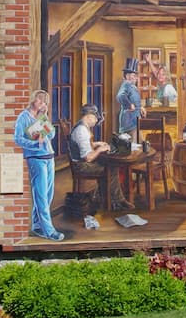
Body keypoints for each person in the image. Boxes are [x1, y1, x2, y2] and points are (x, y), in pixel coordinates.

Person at [13, 89, 63, 241]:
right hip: (36, 158)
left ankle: (37, 225)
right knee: (40, 195)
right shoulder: (24, 117)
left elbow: (52, 134)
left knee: (48, 194)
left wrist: (44, 117)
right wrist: (34, 144)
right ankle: (49, 231)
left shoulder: (41, 117)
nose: (42, 104)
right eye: (40, 100)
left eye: (45, 101)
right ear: (33, 100)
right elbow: (18, 139)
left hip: (49, 156)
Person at [69, 104, 133, 211]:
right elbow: (88, 158)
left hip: (81, 162)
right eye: (95, 118)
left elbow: (84, 145)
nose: (95, 121)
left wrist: (96, 144)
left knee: (110, 164)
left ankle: (105, 197)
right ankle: (116, 201)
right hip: (81, 165)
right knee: (111, 167)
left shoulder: (82, 127)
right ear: (88, 116)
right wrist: (99, 150)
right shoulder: (82, 131)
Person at [116, 57, 145, 141]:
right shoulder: (126, 84)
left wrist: (140, 108)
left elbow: (134, 100)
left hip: (135, 120)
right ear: (127, 76)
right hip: (129, 121)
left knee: (139, 143)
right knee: (133, 145)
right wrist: (129, 105)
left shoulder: (132, 86)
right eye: (134, 75)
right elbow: (120, 96)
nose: (136, 78)